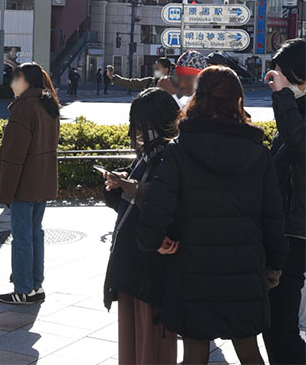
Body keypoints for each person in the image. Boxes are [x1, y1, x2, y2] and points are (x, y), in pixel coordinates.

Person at [137, 66, 287, 365]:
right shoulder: (257, 151)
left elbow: (158, 205)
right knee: (248, 348)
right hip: (244, 265)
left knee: (194, 351)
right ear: (237, 100)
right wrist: (275, 265)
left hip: (192, 266)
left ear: (198, 96)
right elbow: (273, 214)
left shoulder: (180, 148)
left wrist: (153, 241)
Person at [103, 88, 180, 364]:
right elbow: (136, 202)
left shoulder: (171, 156)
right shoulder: (147, 156)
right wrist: (119, 186)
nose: (138, 132)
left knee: (152, 342)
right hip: (132, 263)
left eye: (145, 125)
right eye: (137, 125)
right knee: (132, 340)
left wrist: (132, 188)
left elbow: (163, 203)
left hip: (151, 268)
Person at [0, 63, 60, 304]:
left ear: (26, 82)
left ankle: (23, 289)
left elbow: (13, 157)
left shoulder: (24, 108)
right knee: (35, 233)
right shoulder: (48, 105)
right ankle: (35, 286)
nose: (12, 83)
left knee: (22, 236)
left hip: (24, 182)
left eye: (16, 78)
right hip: (42, 181)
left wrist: (5, 190)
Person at [262, 38, 306, 364]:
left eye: (282, 73)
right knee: (277, 324)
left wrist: (283, 95)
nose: (276, 78)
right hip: (288, 229)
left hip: (298, 232)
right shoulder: (294, 109)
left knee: (280, 326)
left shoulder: (291, 108)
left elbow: (299, 142)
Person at [107, 58, 172, 92]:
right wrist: (113, 77)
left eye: (157, 68)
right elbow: (131, 83)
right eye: (155, 68)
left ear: (166, 70)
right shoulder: (149, 82)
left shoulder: (174, 85)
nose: (155, 70)